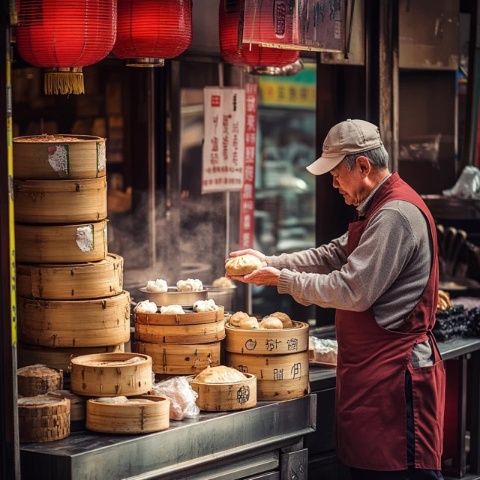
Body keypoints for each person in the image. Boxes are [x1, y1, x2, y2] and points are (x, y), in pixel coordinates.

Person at [229, 119, 445, 480]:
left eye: (335, 174)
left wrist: (280, 279)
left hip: (395, 380)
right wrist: (269, 261)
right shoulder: (377, 209)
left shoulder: (394, 214)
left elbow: (351, 290)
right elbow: (332, 254)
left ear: (363, 166)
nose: (332, 184)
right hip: (371, 376)